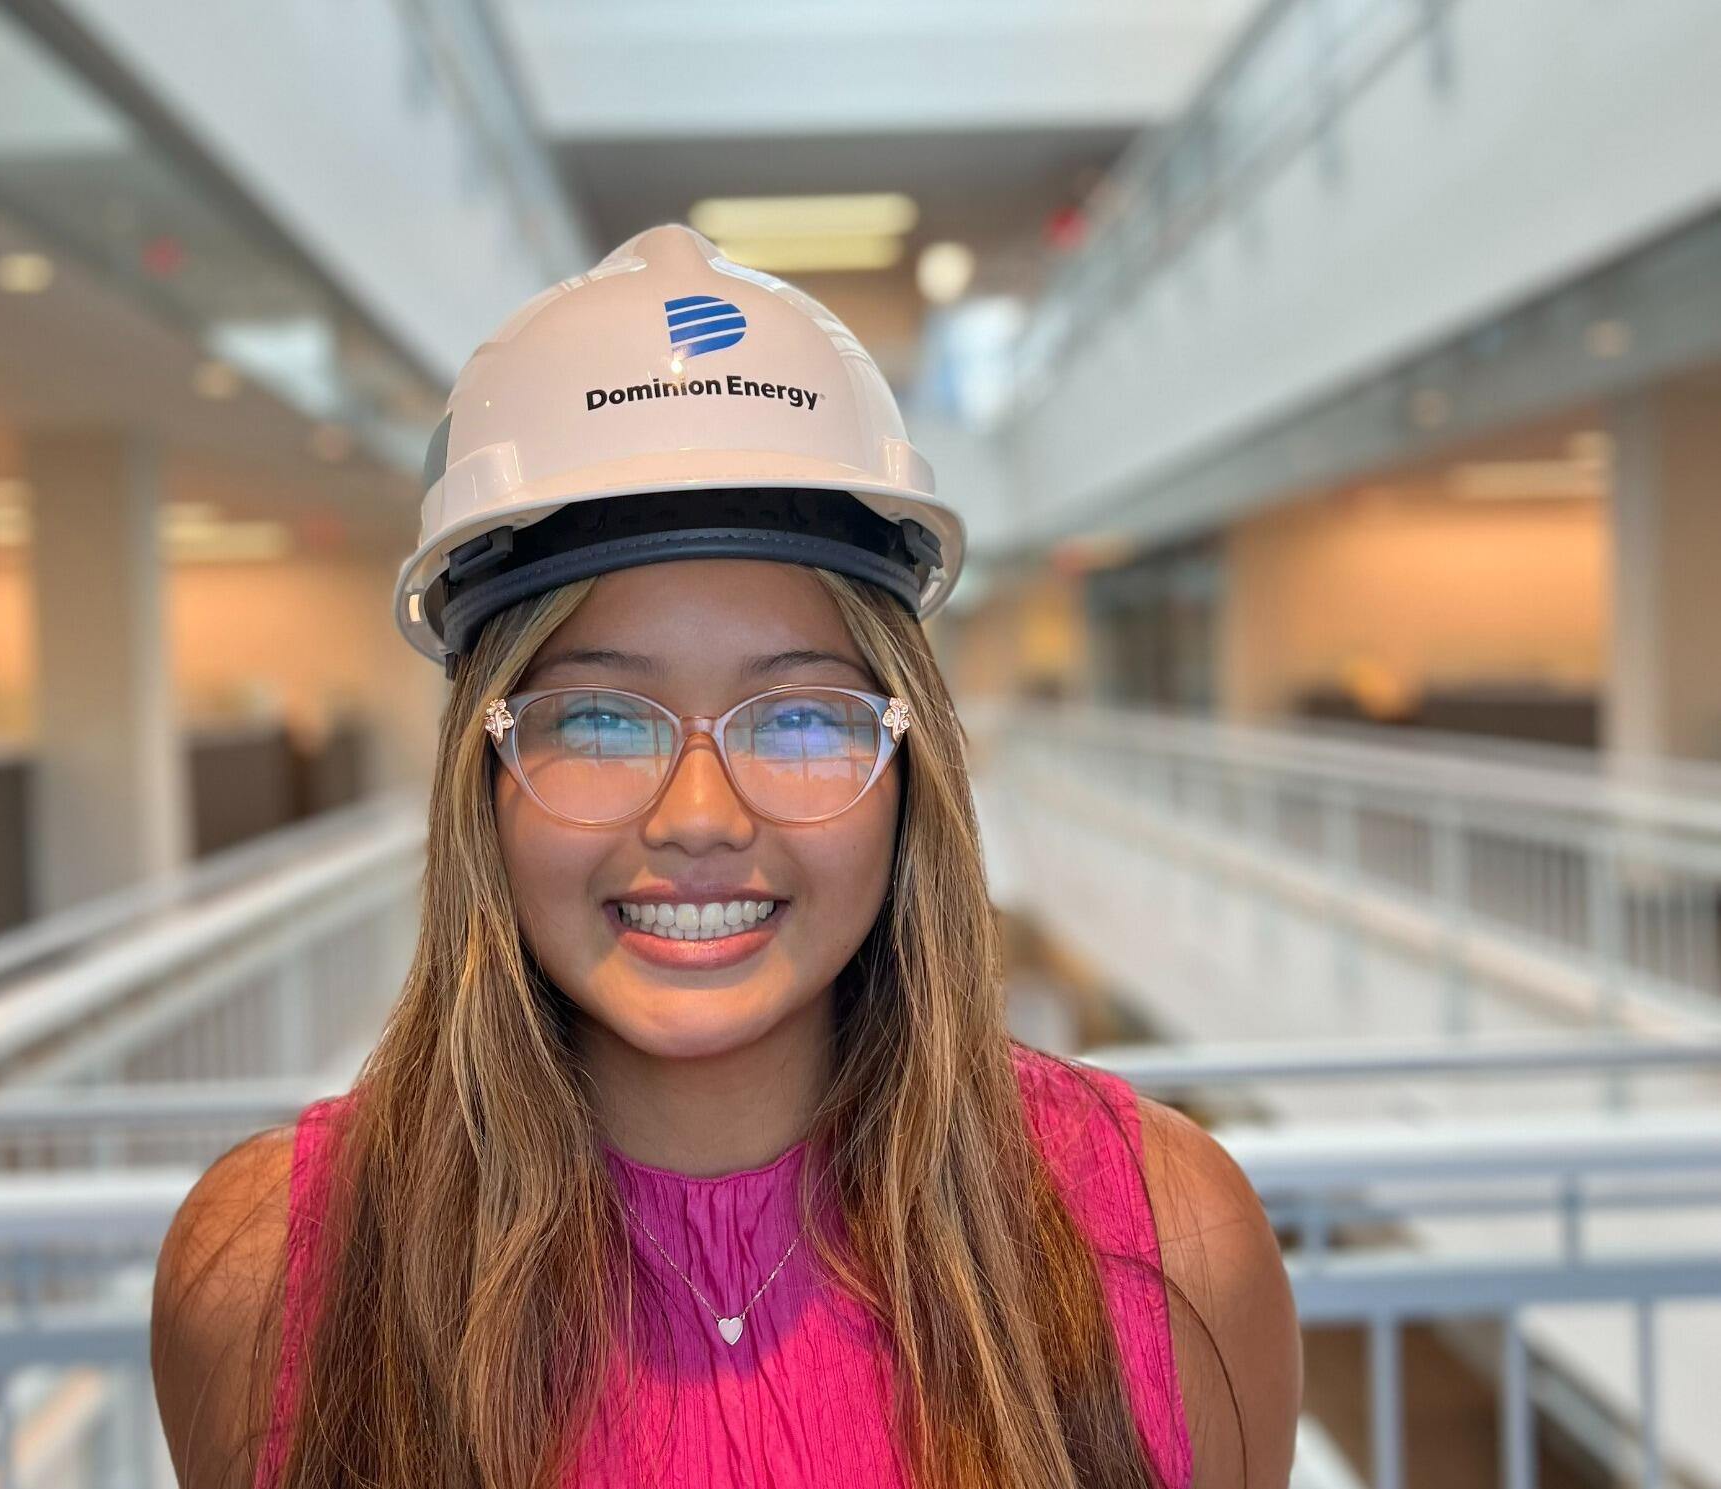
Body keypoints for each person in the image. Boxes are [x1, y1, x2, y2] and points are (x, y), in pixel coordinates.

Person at [150, 224, 1299, 1489]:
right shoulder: (268, 1273)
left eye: (801, 717)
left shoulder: (1162, 1241)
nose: (699, 813)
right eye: (596, 717)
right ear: (481, 777)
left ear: (910, 765)